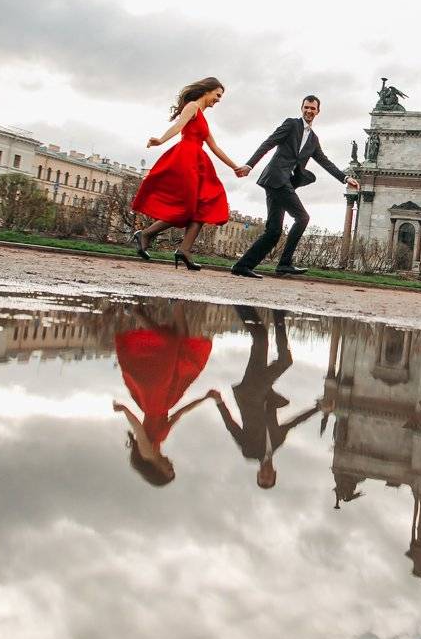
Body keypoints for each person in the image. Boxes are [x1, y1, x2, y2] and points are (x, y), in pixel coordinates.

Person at [231, 94, 359, 279]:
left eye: (312, 108)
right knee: (302, 217)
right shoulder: (291, 124)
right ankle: (284, 263)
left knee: (274, 231)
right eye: (306, 107)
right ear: (302, 108)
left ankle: (242, 266)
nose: (309, 111)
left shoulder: (313, 139)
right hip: (276, 177)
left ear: (318, 111)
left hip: (284, 182)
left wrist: (345, 178)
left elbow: (324, 161)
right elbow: (269, 143)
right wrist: (250, 165)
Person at [131, 77, 248, 271]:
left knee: (204, 204)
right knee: (187, 207)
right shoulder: (192, 106)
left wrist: (235, 167)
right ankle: (146, 234)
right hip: (186, 159)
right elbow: (178, 126)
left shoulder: (202, 116)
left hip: (199, 162)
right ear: (207, 90)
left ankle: (183, 249)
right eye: (217, 95)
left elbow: (214, 147)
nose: (218, 100)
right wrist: (160, 140)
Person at [110, 306, 216, 486]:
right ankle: (146, 311)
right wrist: (205, 398)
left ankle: (165, 306)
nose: (171, 466)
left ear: (158, 471)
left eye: (169, 471)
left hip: (154, 398)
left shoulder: (148, 453)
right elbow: (179, 414)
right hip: (165, 399)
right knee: (179, 347)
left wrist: (124, 409)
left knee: (172, 345)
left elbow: (138, 428)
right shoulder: (158, 444)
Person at [215, 306, 318, 487]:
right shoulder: (277, 441)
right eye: (268, 477)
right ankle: (242, 305)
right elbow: (295, 422)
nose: (265, 474)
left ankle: (278, 316)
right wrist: (318, 408)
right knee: (260, 338)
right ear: (274, 473)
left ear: (258, 473)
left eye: (262, 477)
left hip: (251, 395)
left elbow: (232, 428)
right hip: (257, 392)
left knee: (285, 361)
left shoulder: (249, 451)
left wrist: (219, 402)